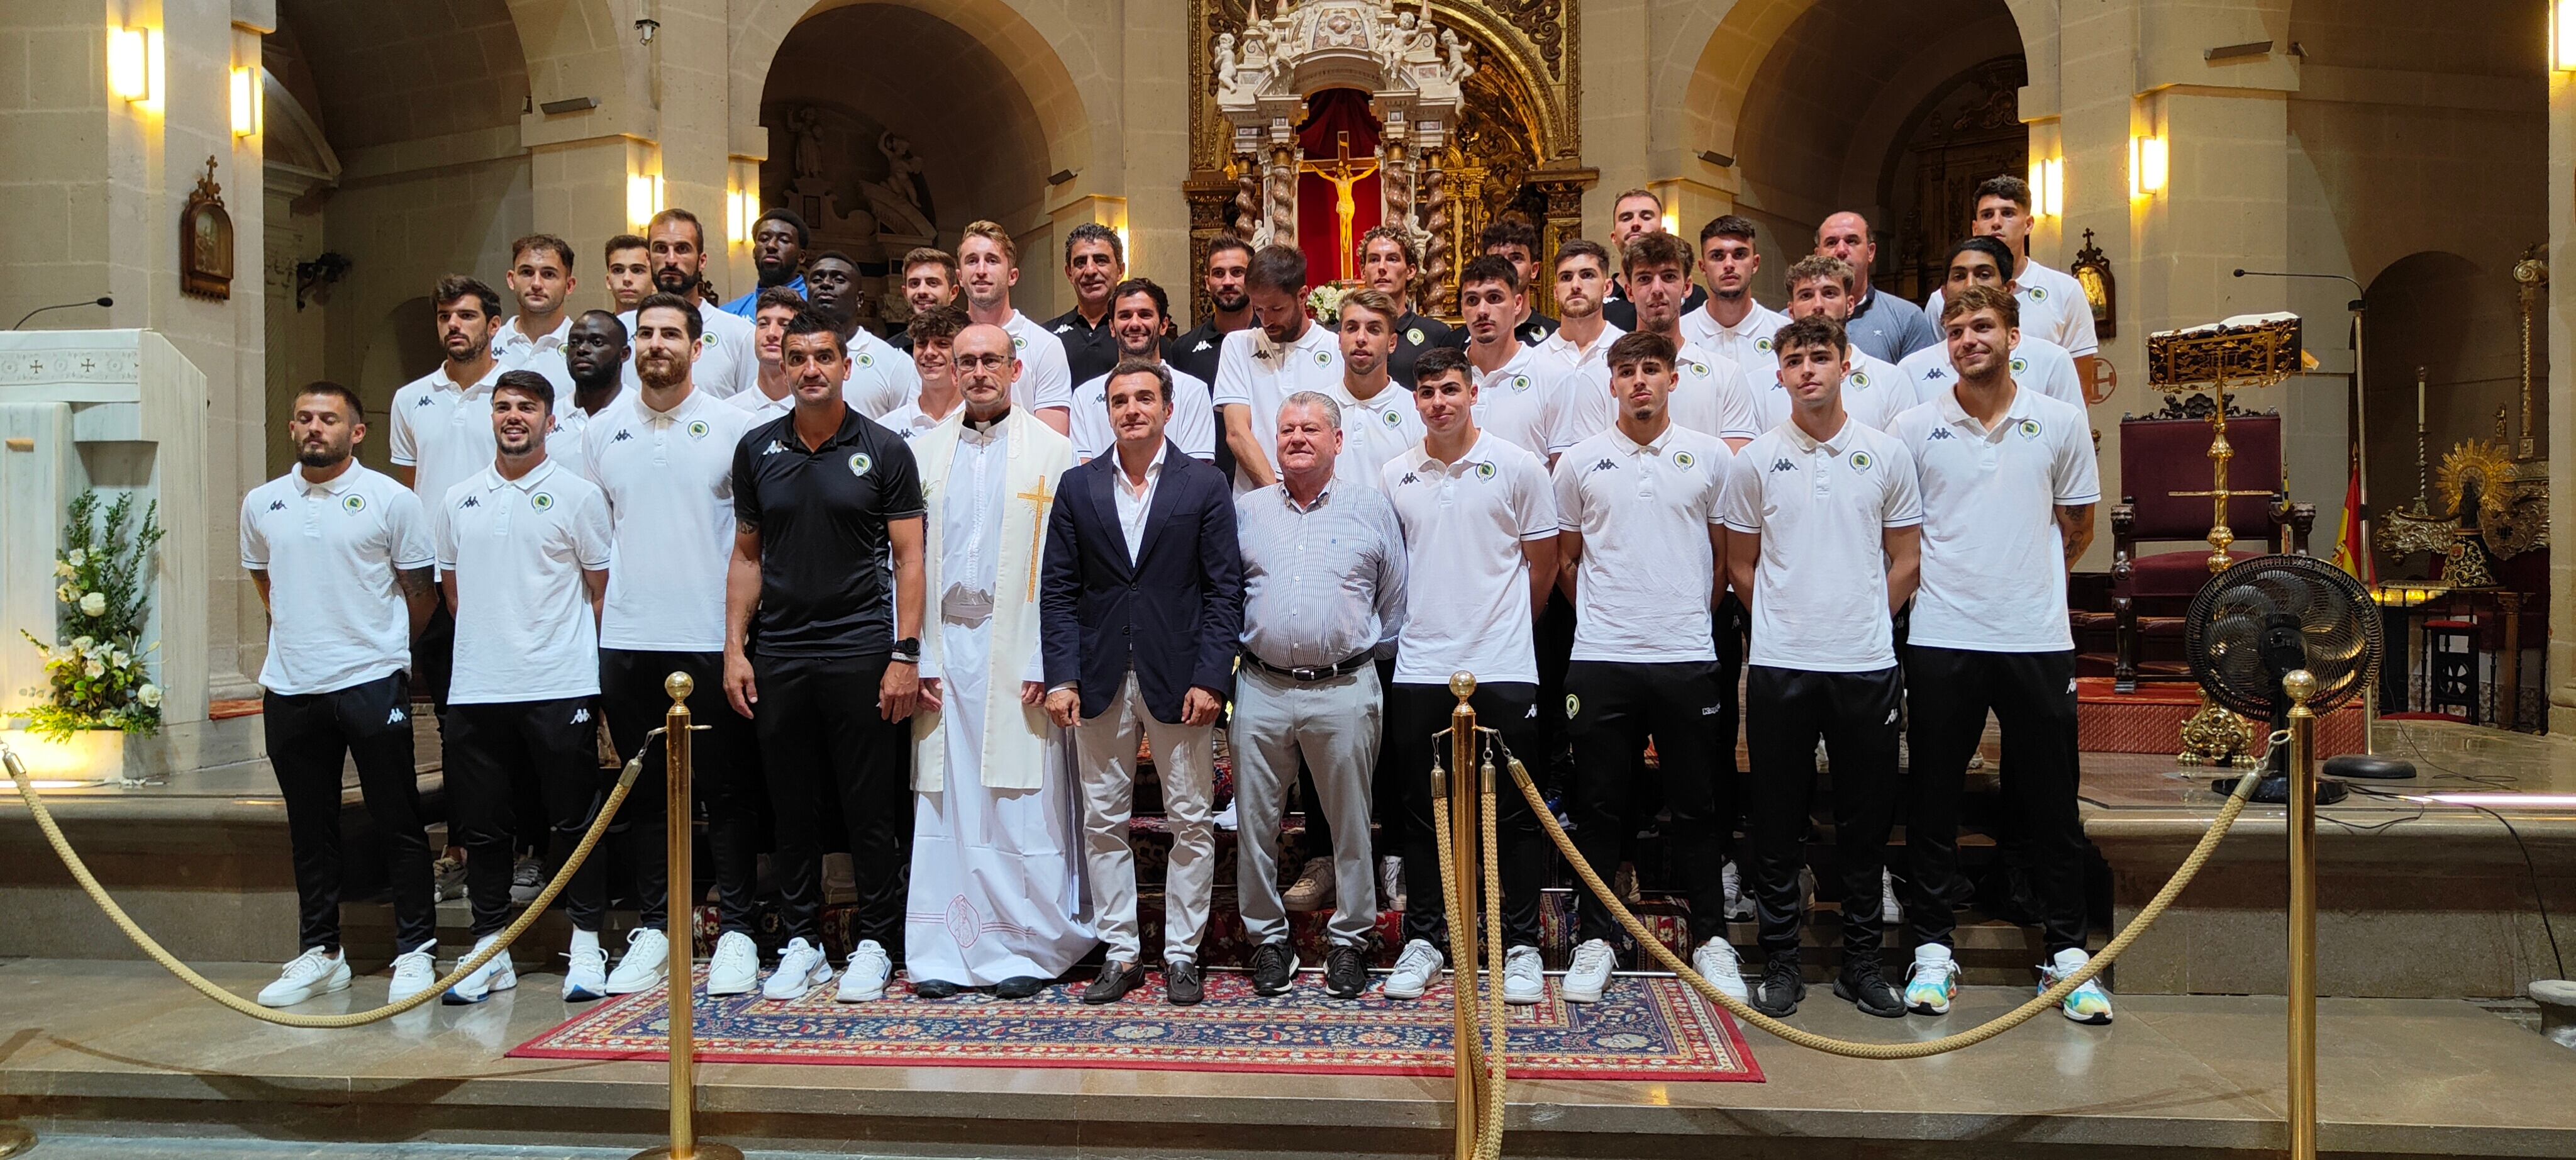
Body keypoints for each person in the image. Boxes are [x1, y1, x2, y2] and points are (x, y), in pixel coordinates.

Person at [1888, 285, 2111, 1025]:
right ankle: (1929, 947)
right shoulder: (1914, 425)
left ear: (2013, 335)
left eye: (1981, 326)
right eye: (1954, 329)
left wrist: (2024, 585)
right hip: (1942, 634)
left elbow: (2075, 528)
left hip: (2034, 636)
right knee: (1932, 800)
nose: (1967, 339)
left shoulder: (2058, 420)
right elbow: (1902, 534)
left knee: (2049, 800)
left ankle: (2067, 951)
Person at [1719, 316, 1922, 1020]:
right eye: (1794, 359)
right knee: (1777, 821)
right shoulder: (1754, 461)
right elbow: (1740, 565)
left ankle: (1860, 962)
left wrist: (1865, 613)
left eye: (1820, 357)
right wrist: (1784, 617)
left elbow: (1907, 558)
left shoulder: (1886, 453)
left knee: (1865, 824)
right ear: (1778, 373)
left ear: (1845, 366)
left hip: (1865, 662)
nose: (1807, 370)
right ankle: (1781, 960)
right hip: (1781, 663)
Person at [725, 309, 928, 1004]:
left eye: (824, 357)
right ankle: (802, 941)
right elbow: (747, 556)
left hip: (860, 648)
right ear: (781, 365)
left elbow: (909, 556)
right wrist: (734, 648)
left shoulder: (886, 449)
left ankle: (876, 940)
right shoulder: (756, 450)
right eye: (798, 357)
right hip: (779, 649)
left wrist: (905, 653)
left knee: (868, 806)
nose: (811, 368)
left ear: (847, 366)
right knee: (791, 807)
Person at [578, 292, 765, 998]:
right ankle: (658, 927)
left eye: (671, 333)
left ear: (697, 345)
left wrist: (737, 638)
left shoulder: (735, 426)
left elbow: (754, 543)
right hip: (629, 636)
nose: (658, 343)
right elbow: (596, 544)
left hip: (709, 636)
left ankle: (739, 928)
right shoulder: (601, 432)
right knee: (647, 794)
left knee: (725, 789)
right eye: (646, 333)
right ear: (633, 347)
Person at [1041, 359, 1243, 1007]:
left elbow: (1224, 590)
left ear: (1168, 406)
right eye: (1120, 399)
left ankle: (1182, 953)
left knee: (1189, 817)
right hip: (1098, 675)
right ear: (1107, 409)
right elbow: (1058, 591)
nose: (1132, 409)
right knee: (1103, 820)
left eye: (1144, 398)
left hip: (1181, 676)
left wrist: (1213, 675)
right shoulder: (1077, 486)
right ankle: (1122, 952)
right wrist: (1061, 676)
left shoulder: (1204, 484)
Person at [1552, 332, 1746, 1005]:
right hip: (1602, 657)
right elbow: (1568, 560)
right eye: (1627, 371)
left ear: (1673, 378)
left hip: (1686, 654)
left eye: (1652, 370)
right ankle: (1594, 939)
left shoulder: (1710, 455)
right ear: (1611, 383)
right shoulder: (1578, 461)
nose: (1639, 381)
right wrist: (1607, 617)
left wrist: (1682, 617)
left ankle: (1713, 940)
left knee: (1697, 803)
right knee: (1601, 805)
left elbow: (1722, 559)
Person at [902, 321, 1092, 1000]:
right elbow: (905, 562)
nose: (979, 371)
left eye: (992, 360)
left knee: (1017, 802)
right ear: (951, 370)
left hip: (1021, 655)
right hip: (945, 654)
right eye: (967, 361)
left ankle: (1026, 944)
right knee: (948, 797)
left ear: (1016, 370)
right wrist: (915, 652)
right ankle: (943, 948)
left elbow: (1070, 568)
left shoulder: (1055, 452)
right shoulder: (920, 453)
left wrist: (1051, 655)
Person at [242, 382, 442, 1008]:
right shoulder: (263, 501)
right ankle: (322, 951)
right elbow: (263, 578)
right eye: (303, 417)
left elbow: (422, 594)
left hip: (370, 678)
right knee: (311, 825)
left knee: (397, 817)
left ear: (356, 431)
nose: (314, 428)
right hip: (291, 684)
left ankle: (416, 948)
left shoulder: (390, 499)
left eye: (328, 418)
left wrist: (383, 650)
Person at [1377, 346, 1557, 1007]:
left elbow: (1544, 563)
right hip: (1420, 663)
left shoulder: (1517, 466)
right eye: (1427, 393)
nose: (1439, 402)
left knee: (1511, 812)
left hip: (1504, 663)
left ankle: (1517, 944)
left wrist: (1504, 629)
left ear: (1472, 392)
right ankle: (1426, 939)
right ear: (1415, 401)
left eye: (1450, 389)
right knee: (1424, 811)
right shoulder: (1395, 473)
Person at [433, 369, 614, 1005]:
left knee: (574, 821)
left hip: (558, 681)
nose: (515, 416)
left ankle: (588, 942)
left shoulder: (577, 495)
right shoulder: (458, 497)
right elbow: (453, 593)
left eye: (528, 407)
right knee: (484, 826)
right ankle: (489, 945)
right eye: (504, 406)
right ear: (492, 416)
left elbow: (601, 591)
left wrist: (573, 667)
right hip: (478, 687)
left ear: (550, 419)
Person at [1231, 391, 1404, 1001]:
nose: (1296, 438)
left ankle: (1350, 940)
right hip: (1260, 685)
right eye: (1285, 430)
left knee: (1351, 821)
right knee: (1255, 820)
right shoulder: (1248, 510)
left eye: (1310, 428)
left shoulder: (1371, 508)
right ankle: (1268, 939)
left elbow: (1395, 600)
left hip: (1345, 687)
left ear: (1337, 440)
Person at [390, 276, 509, 728]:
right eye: (445, 317)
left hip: (499, 564)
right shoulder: (409, 398)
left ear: (494, 325)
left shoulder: (516, 395)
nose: (453, 325)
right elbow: (411, 488)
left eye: (466, 316)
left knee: (505, 701)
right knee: (448, 706)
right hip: (436, 573)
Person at [1921, 175, 2102, 385]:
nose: (1997, 223)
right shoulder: (1943, 300)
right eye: (1987, 215)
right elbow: (1933, 373)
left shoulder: (2064, 290)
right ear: (1975, 228)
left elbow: (2080, 384)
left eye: (2007, 214)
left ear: (2028, 224)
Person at [1898, 237, 2085, 410]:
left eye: (1984, 274)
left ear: (2008, 289)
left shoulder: (2051, 361)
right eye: (1959, 276)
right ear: (1945, 294)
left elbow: (2071, 438)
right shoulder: (1913, 369)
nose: (1970, 285)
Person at [1214, 245, 1344, 493]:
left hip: (1327, 501)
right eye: (1259, 309)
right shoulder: (1238, 345)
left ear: (1302, 296)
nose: (1266, 321)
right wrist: (1278, 496)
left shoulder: (1336, 347)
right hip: (1257, 500)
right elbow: (1237, 432)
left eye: (1277, 309)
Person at [1623, 233, 1758, 449]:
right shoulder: (1603, 372)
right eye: (1645, 279)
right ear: (1629, 291)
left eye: (1668, 277)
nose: (1657, 290)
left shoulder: (1726, 374)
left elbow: (1734, 468)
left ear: (1687, 287)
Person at [1069, 278, 1214, 464]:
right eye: (1125, 316)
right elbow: (1085, 475)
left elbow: (1197, 473)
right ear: (1112, 327)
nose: (1135, 324)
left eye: (1145, 315)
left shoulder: (1193, 391)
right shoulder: (1084, 396)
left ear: (1163, 325)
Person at [616, 209, 758, 399]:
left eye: (682, 249)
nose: (671, 260)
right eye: (661, 249)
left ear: (702, 261)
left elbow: (752, 412)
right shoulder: (622, 331)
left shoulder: (739, 334)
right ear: (649, 260)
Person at [1765, 255, 1910, 431]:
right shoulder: (1760, 384)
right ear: (1791, 310)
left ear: (1850, 305)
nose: (1818, 305)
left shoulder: (1892, 381)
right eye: (1806, 296)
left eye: (1829, 293)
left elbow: (1897, 456)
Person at [957, 219, 1074, 433]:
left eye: (992, 261)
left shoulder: (1045, 346)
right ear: (960, 277)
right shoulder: (944, 345)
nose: (981, 270)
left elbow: (1052, 443)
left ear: (1013, 276)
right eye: (972, 261)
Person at [1458, 255, 1573, 464]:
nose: (1482, 311)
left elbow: (1565, 471)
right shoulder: (1451, 380)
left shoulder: (1552, 374)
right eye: (1472, 300)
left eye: (1494, 298)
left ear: (1517, 304)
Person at [1167, 235, 1255, 482]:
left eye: (1238, 272)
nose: (1228, 282)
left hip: (1265, 477)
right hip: (1205, 480)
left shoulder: (1269, 340)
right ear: (1207, 283)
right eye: (1219, 274)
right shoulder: (1184, 349)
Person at [1326, 288, 1427, 489]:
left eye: (1374, 329)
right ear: (1339, 340)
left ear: (1392, 343)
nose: (1361, 338)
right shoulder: (1316, 408)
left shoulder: (1416, 412)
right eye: (1352, 328)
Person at [1815, 211, 1940, 363]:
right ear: (1818, 255)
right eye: (1831, 243)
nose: (1841, 250)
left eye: (1852, 241)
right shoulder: (1787, 320)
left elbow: (1920, 382)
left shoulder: (1907, 318)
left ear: (1870, 252)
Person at [804, 250, 915, 418]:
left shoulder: (893, 363)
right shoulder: (791, 359)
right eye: (817, 279)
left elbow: (905, 430)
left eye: (839, 279)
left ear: (860, 299)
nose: (825, 284)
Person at [1540, 238, 1628, 447]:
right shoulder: (1535, 360)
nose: (1576, 286)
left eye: (1587, 275)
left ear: (1607, 287)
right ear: (1555, 291)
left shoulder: (1628, 353)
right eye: (1566, 278)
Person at [1356, 225, 1463, 388]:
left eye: (1392, 259)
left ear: (1411, 271)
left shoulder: (1436, 335)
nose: (1382, 268)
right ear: (1363, 271)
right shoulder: (1343, 334)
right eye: (1374, 259)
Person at [1683, 215, 1787, 367]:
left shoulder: (1784, 332)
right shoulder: (1680, 335)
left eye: (1739, 255)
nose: (1729, 264)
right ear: (1703, 267)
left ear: (1755, 263)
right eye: (1717, 256)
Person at [1601, 188, 1706, 331]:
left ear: (1663, 233)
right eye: (1626, 218)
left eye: (1646, 217)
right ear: (1614, 237)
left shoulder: (1693, 296)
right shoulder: (1600, 300)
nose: (1636, 224)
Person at [492, 234, 578, 396]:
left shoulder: (585, 349)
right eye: (527, 272)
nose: (537, 284)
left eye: (549, 274)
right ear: (512, 280)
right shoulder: (488, 345)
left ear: (569, 285)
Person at [1045, 223, 1125, 387]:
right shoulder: (1046, 336)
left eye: (1101, 261)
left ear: (1120, 271)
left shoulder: (1139, 334)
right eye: (1080, 262)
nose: (1090, 271)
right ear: (1069, 273)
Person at [878, 304, 972, 442]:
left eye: (942, 344)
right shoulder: (886, 429)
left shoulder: (984, 423)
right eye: (922, 343)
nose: (929, 353)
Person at [734, 287, 811, 423]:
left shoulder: (818, 412)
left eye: (784, 325)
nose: (771, 333)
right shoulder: (730, 411)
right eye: (763, 324)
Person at [1479, 215, 1557, 345]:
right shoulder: (1458, 341)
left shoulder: (1556, 338)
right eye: (1497, 259)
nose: (1506, 267)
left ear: (1534, 270)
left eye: (1516, 258)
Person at [720, 208, 808, 318]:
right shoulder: (728, 315)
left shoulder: (818, 309)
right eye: (764, 239)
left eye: (784, 240)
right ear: (754, 252)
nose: (771, 246)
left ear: (801, 256)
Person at [888, 247, 960, 355]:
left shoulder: (972, 343)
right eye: (915, 284)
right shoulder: (889, 351)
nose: (922, 291)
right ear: (905, 292)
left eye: (933, 283)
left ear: (953, 292)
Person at [602, 234, 653, 315]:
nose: (627, 279)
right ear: (608, 281)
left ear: (654, 280)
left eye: (637, 270)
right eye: (618, 270)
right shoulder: (600, 327)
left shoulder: (673, 326)